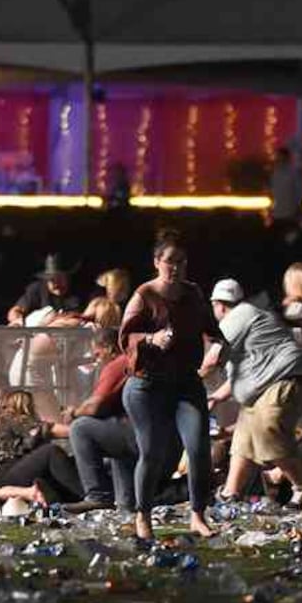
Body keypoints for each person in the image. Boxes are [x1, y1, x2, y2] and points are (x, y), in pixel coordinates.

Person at [118, 230, 226, 539]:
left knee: (198, 447)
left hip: (185, 383)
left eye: (181, 261)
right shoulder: (144, 295)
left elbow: (211, 328)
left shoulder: (192, 293)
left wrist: (220, 345)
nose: (175, 268)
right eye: (169, 261)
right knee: (152, 451)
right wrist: (152, 339)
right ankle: (143, 516)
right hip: (147, 385)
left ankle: (198, 514)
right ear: (157, 262)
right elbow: (125, 338)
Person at [205, 278, 302, 506]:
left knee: (267, 431)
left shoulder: (237, 317)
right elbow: (243, 372)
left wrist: (189, 381)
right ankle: (230, 494)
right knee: (243, 439)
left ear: (219, 305)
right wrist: (216, 396)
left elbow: (212, 359)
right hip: (269, 384)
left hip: (284, 379)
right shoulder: (250, 317)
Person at [0, 391, 78, 511]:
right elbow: (49, 429)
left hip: (2, 477)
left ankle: (73, 500)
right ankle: (90, 495)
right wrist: (82, 430)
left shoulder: (0, 424)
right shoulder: (11, 418)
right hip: (4, 474)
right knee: (50, 452)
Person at [63, 329, 137, 513]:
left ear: (109, 348)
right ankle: (126, 506)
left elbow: (95, 406)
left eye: (97, 354)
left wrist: (74, 413)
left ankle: (98, 495)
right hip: (146, 430)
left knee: (80, 428)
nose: (96, 360)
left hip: (137, 432)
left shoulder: (117, 365)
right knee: (114, 443)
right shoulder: (132, 360)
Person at [7, 254, 82, 326]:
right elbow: (16, 310)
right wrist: (17, 322)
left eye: (60, 278)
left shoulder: (79, 290)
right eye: (52, 279)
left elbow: (89, 313)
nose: (56, 283)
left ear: (67, 277)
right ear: (46, 279)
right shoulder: (36, 289)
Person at [270, 146, 302, 225]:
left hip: (289, 212)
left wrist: (299, 207)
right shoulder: (275, 173)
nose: (279, 160)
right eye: (278, 157)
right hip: (278, 212)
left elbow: (299, 192)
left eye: (281, 157)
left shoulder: (293, 173)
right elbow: (273, 192)